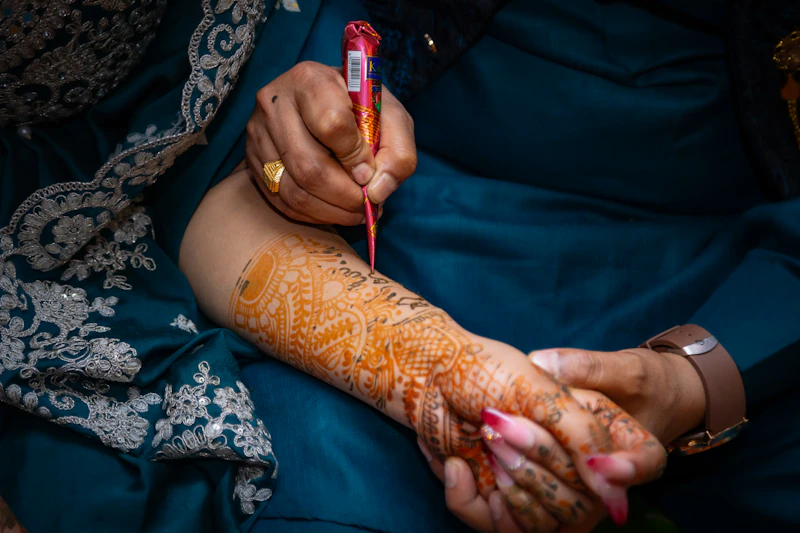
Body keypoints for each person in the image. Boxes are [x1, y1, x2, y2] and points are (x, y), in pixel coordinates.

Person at [1, 1, 799, 533]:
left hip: (742, 268)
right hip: (394, 217)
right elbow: (234, 122)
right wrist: (302, 126)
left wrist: (697, 376)